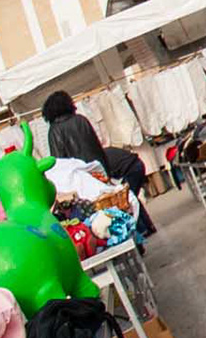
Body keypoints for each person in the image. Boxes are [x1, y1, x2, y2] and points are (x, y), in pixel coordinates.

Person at [39, 90, 155, 236]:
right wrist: (105, 171)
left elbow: (59, 162)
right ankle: (142, 229)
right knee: (121, 201)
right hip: (97, 170)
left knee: (98, 214)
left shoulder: (54, 130)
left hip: (80, 177)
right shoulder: (81, 120)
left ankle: (128, 233)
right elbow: (97, 147)